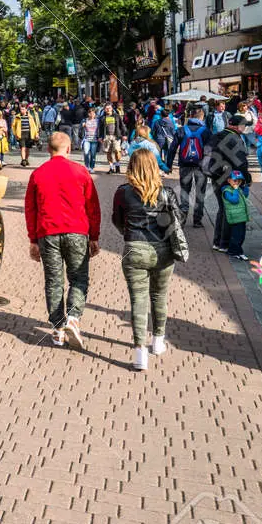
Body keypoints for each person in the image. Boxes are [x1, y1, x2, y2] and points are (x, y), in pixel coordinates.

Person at [25, 132, 101, 351]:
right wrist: (94, 236)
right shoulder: (81, 172)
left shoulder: (38, 174)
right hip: (77, 231)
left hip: (48, 233)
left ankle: (58, 328)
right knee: (78, 278)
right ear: (69, 149)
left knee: (53, 280)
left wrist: (33, 239)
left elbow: (31, 209)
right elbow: (92, 207)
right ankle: (73, 318)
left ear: (48, 149)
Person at [111, 150, 181, 371]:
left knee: (137, 300)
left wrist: (128, 232)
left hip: (135, 247)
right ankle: (158, 341)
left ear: (131, 166)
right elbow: (179, 220)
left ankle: (140, 351)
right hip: (162, 249)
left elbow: (117, 219)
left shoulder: (122, 192)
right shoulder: (166, 193)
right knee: (160, 295)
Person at [206, 115, 251, 254]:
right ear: (236, 126)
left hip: (216, 176)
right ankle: (224, 243)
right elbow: (241, 162)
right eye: (244, 125)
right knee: (229, 210)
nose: (245, 128)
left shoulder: (216, 136)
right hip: (230, 178)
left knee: (222, 209)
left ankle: (217, 241)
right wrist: (247, 178)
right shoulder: (234, 138)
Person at [220, 171, 250, 260]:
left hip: (241, 216)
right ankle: (234, 251)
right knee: (236, 235)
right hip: (235, 217)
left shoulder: (239, 189)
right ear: (229, 180)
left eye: (239, 181)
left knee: (241, 235)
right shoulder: (226, 191)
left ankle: (238, 251)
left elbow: (245, 195)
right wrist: (236, 189)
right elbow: (234, 200)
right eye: (235, 181)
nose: (237, 183)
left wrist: (245, 187)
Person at [81, 106, 100, 172]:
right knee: (86, 153)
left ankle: (91, 167)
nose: (92, 114)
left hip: (94, 140)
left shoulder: (98, 120)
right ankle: (87, 166)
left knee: (93, 154)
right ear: (88, 113)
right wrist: (82, 125)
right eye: (90, 113)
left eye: (93, 113)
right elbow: (82, 126)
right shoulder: (85, 120)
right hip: (86, 139)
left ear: (95, 114)